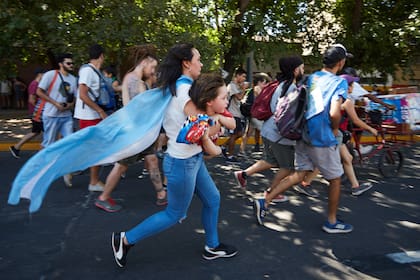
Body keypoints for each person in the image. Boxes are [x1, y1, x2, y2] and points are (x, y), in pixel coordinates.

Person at [112, 44, 238, 268]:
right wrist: (217, 123)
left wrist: (217, 120)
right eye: (198, 59)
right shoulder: (184, 94)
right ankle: (125, 239)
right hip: (182, 162)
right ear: (186, 63)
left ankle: (212, 246)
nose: (201, 63)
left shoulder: (184, 87)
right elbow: (200, 130)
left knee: (213, 199)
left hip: (191, 159)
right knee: (174, 213)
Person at [254, 44, 354, 234]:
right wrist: (334, 129)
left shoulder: (312, 77)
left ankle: (265, 200)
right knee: (335, 179)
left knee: (300, 173)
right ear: (340, 63)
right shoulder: (338, 82)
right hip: (322, 137)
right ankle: (331, 222)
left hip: (302, 133)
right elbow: (334, 112)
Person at [94, 45, 166, 212]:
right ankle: (103, 197)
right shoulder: (135, 81)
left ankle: (161, 194)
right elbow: (139, 110)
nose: (153, 71)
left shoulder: (133, 79)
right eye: (152, 67)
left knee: (152, 160)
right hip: (134, 133)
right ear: (144, 63)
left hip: (139, 132)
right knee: (121, 166)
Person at [234, 56, 305, 203]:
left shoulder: (280, 84)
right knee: (288, 167)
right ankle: (271, 192)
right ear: (296, 70)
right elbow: (285, 113)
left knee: (270, 160)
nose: (303, 70)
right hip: (279, 133)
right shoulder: (291, 88)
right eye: (302, 68)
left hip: (268, 129)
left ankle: (243, 174)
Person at [295, 74, 377, 197]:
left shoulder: (329, 95)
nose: (353, 87)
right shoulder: (346, 100)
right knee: (326, 160)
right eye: (352, 85)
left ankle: (356, 186)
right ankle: (305, 183)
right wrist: (371, 129)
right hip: (334, 133)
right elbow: (356, 120)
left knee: (347, 158)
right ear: (347, 86)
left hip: (329, 131)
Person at [36, 53, 77, 186]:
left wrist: (70, 105)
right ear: (61, 64)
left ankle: (66, 171)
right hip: (51, 115)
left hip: (66, 116)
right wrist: (55, 103)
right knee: (49, 143)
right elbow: (39, 91)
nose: (71, 65)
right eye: (68, 63)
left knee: (70, 142)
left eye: (72, 63)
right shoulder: (50, 75)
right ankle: (41, 168)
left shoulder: (73, 79)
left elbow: (74, 97)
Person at [73, 44, 108, 192]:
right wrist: (100, 111)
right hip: (89, 116)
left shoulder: (94, 71)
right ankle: (93, 182)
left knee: (91, 148)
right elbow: (82, 94)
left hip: (93, 115)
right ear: (101, 56)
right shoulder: (88, 71)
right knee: (95, 149)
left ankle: (70, 170)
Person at [9, 68, 46, 159]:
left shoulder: (37, 84)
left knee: (36, 132)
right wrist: (40, 108)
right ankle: (41, 154)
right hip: (37, 113)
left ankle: (16, 147)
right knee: (46, 132)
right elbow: (31, 100)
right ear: (40, 75)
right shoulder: (35, 84)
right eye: (44, 74)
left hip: (38, 113)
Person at [220, 67, 248, 163]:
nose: (244, 79)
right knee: (233, 135)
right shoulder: (232, 86)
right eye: (243, 76)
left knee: (239, 133)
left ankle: (223, 147)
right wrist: (243, 89)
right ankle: (230, 156)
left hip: (237, 114)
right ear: (238, 75)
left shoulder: (236, 85)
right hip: (232, 114)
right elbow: (239, 97)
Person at [239, 73, 271, 154]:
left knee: (248, 133)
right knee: (265, 132)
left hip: (253, 114)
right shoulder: (258, 89)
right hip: (256, 115)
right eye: (265, 82)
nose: (266, 84)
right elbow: (263, 101)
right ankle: (267, 151)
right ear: (260, 82)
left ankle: (242, 150)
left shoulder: (254, 89)